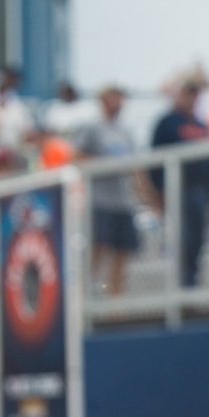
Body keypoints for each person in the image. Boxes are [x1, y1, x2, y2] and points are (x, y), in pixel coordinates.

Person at [77, 86, 139, 295]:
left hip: (124, 201)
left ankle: (116, 302)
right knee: (98, 250)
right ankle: (84, 297)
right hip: (101, 201)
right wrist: (105, 164)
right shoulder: (93, 128)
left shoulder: (126, 131)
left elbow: (136, 167)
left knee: (123, 253)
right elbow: (77, 157)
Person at [151, 81, 209, 287]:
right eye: (188, 94)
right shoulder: (168, 123)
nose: (191, 99)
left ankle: (191, 287)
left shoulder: (201, 125)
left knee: (197, 243)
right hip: (176, 192)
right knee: (181, 243)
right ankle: (181, 288)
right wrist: (158, 193)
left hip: (200, 192)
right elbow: (155, 162)